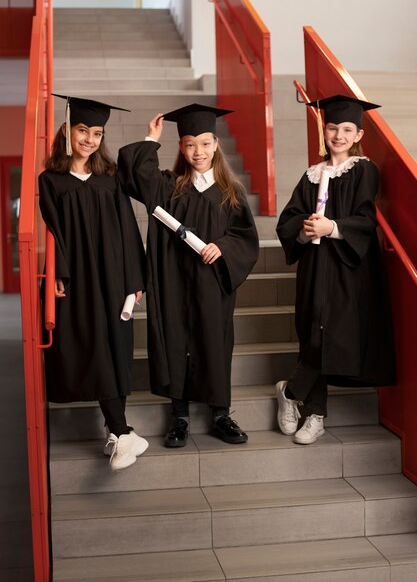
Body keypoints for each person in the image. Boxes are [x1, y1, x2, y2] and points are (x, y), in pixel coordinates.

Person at [117, 103, 259, 447]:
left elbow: (245, 236)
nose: (199, 151)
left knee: (214, 339)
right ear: (181, 147)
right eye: (191, 143)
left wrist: (223, 246)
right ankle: (178, 416)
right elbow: (135, 175)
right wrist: (151, 140)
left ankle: (220, 414)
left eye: (206, 143)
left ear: (216, 145)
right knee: (175, 339)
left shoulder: (231, 192)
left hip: (212, 280)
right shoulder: (169, 187)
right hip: (173, 281)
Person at [276, 94, 396, 445]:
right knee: (313, 332)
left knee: (330, 335)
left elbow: (365, 218)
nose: (339, 135)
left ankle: (290, 392)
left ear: (359, 134)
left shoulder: (364, 170)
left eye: (347, 129)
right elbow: (289, 218)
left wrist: (333, 228)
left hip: (346, 268)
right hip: (314, 267)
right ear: (323, 131)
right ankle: (315, 415)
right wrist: (305, 228)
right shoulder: (312, 174)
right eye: (332, 128)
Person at [38, 94, 148, 470]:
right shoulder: (50, 180)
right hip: (77, 278)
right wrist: (58, 274)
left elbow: (129, 228)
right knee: (93, 347)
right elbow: (52, 231)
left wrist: (135, 279)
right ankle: (122, 431)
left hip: (113, 275)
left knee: (114, 347)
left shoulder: (110, 177)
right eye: (83, 130)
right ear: (68, 131)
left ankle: (120, 433)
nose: (89, 139)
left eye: (97, 133)